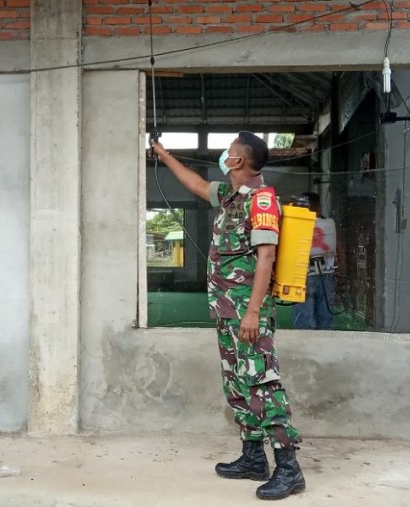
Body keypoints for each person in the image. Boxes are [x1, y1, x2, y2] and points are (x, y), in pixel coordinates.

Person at [151, 132, 305, 501]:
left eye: (230, 151)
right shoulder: (230, 197)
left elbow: (266, 257)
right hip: (226, 310)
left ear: (238, 162)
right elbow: (196, 182)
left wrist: (253, 312)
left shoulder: (262, 201)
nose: (225, 155)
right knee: (237, 383)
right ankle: (253, 458)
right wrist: (163, 154)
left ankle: (289, 468)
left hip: (248, 312)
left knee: (261, 382)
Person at [291, 192, 338, 330]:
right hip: (319, 274)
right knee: (320, 316)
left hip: (311, 274)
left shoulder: (296, 223)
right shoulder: (329, 223)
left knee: (311, 316)